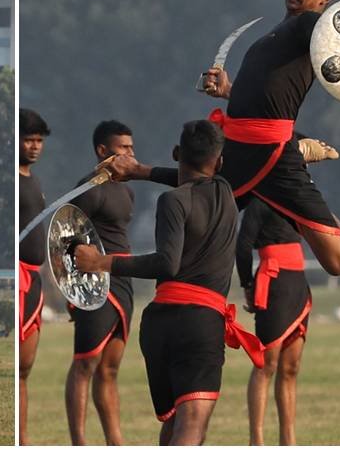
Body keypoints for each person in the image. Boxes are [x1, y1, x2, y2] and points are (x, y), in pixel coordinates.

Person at [75, 120, 264, 445]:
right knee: (192, 424)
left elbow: (183, 185)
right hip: (199, 323)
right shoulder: (227, 194)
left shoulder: (172, 202)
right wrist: (102, 262)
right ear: (218, 162)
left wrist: (139, 171)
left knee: (176, 420)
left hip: (159, 325)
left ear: (177, 153)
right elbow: (167, 263)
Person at [201, 0, 340, 277]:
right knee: (198, 227)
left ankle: (298, 156)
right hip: (242, 148)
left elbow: (331, 37)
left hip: (271, 151)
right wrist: (230, 90)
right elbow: (266, 91)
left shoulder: (309, 24)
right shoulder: (274, 35)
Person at [237, 137, 338, 445]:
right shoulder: (259, 200)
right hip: (274, 280)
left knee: (291, 367)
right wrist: (247, 284)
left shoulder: (296, 196)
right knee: (265, 364)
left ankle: (288, 439)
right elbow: (242, 245)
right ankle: (257, 439)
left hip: (297, 283)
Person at [65, 120, 135, 445]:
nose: (131, 153)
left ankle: (115, 441)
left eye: (132, 147)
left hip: (123, 283)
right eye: (124, 148)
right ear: (103, 151)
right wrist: (72, 288)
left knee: (110, 368)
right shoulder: (89, 189)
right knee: (85, 364)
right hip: (94, 286)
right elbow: (65, 235)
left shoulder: (128, 189)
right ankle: (79, 440)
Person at [17, 108, 50, 445]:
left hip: (36, 280)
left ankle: (24, 439)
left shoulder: (34, 179)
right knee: (17, 365)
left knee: (26, 367)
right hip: (20, 279)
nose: (35, 146)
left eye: (39, 140)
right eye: (29, 139)